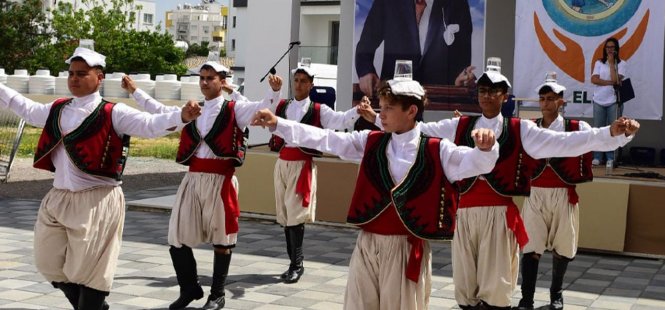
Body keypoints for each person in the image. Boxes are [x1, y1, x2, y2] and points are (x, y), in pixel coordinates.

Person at [360, 63, 639, 309]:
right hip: (464, 216)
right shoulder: (459, 126)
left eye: (494, 90)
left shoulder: (521, 129)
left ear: (505, 95)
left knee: (497, 288)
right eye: (482, 90)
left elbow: (566, 143)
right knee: (465, 288)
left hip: (498, 216)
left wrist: (611, 135)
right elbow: (414, 132)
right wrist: (379, 117)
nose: (487, 95)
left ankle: (548, 295)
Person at [253, 78, 499, 309]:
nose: (381, 114)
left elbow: (476, 163)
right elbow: (326, 139)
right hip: (367, 245)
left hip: (406, 249)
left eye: (389, 108)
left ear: (411, 111)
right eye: (381, 107)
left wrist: (487, 148)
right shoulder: (370, 141)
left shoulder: (438, 149)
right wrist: (278, 124)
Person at [0, 47, 200, 310]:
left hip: (98, 201)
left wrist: (181, 116)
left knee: (91, 274)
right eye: (71, 73)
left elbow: (150, 125)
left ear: (99, 77)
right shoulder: (57, 109)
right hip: (58, 199)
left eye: (82, 73)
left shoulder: (113, 113)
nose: (74, 78)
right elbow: (24, 107)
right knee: (47, 262)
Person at [123, 62, 282, 310]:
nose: (205, 82)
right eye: (202, 78)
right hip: (193, 179)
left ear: (222, 81)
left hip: (221, 181)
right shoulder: (193, 111)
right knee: (176, 237)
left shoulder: (235, 110)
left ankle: (217, 295)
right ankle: (190, 288)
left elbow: (264, 108)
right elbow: (160, 111)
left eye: (210, 78)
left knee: (222, 239)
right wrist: (134, 91)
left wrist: (274, 92)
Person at [269, 65, 360, 284]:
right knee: (285, 214)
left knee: (296, 215)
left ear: (311, 84)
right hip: (282, 163)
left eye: (303, 81)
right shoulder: (283, 105)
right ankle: (293, 261)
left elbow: (340, 120)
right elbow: (265, 109)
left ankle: (296, 264)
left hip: (301, 165)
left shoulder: (319, 110)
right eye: (296, 80)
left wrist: (358, 110)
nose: (299, 84)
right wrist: (273, 91)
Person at [515, 75, 598, 310]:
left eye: (550, 99)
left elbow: (595, 139)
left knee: (563, 247)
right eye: (542, 99)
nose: (545, 103)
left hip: (563, 194)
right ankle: (527, 298)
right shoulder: (529, 128)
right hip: (535, 194)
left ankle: (556, 296)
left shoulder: (577, 127)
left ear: (561, 102)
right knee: (531, 246)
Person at [355, 0, 474, 97]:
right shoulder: (388, 2)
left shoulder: (457, 4)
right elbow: (365, 45)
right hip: (395, 97)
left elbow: (462, 60)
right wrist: (366, 71)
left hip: (437, 100)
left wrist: (460, 79)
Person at [591, 37, 627, 168]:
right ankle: (597, 156)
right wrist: (609, 83)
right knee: (599, 129)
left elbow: (616, 79)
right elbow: (594, 79)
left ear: (616, 49)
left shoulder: (622, 63)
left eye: (612, 47)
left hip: (614, 101)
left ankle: (611, 157)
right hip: (599, 100)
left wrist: (612, 64)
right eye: (607, 47)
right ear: (604, 49)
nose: (610, 50)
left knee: (614, 129)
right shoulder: (599, 63)